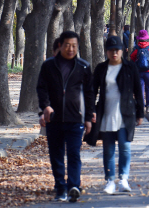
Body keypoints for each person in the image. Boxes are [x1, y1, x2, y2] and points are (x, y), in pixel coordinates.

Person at [37, 31, 94, 202]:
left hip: (75, 118)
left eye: (74, 46)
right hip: (54, 119)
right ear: (60, 45)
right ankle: (60, 187)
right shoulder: (48, 66)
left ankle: (74, 186)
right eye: (67, 45)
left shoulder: (83, 67)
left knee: (74, 153)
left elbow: (89, 93)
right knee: (56, 154)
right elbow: (42, 88)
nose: (71, 49)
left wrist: (89, 116)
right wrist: (45, 106)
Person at [86, 36, 144, 194]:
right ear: (107, 51)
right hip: (106, 112)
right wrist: (90, 110)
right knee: (108, 149)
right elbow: (92, 91)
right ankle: (110, 180)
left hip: (126, 113)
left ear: (122, 51)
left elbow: (138, 91)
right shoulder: (101, 68)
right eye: (111, 50)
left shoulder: (130, 67)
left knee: (125, 147)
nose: (114, 53)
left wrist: (140, 113)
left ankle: (124, 179)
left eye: (117, 50)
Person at [130, 30, 149, 113]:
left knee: (140, 89)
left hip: (138, 71)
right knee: (148, 88)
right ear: (146, 38)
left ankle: (141, 106)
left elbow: (132, 58)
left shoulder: (136, 48)